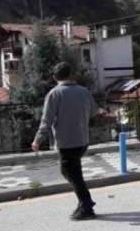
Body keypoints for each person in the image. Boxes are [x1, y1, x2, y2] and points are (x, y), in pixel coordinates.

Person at [31, 62, 100, 221]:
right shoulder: (83, 91)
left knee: (68, 172)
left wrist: (37, 140)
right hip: (82, 140)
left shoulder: (54, 94)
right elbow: (94, 111)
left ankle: (86, 205)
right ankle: (83, 203)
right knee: (75, 173)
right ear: (71, 75)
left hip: (66, 141)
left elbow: (46, 120)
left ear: (55, 77)